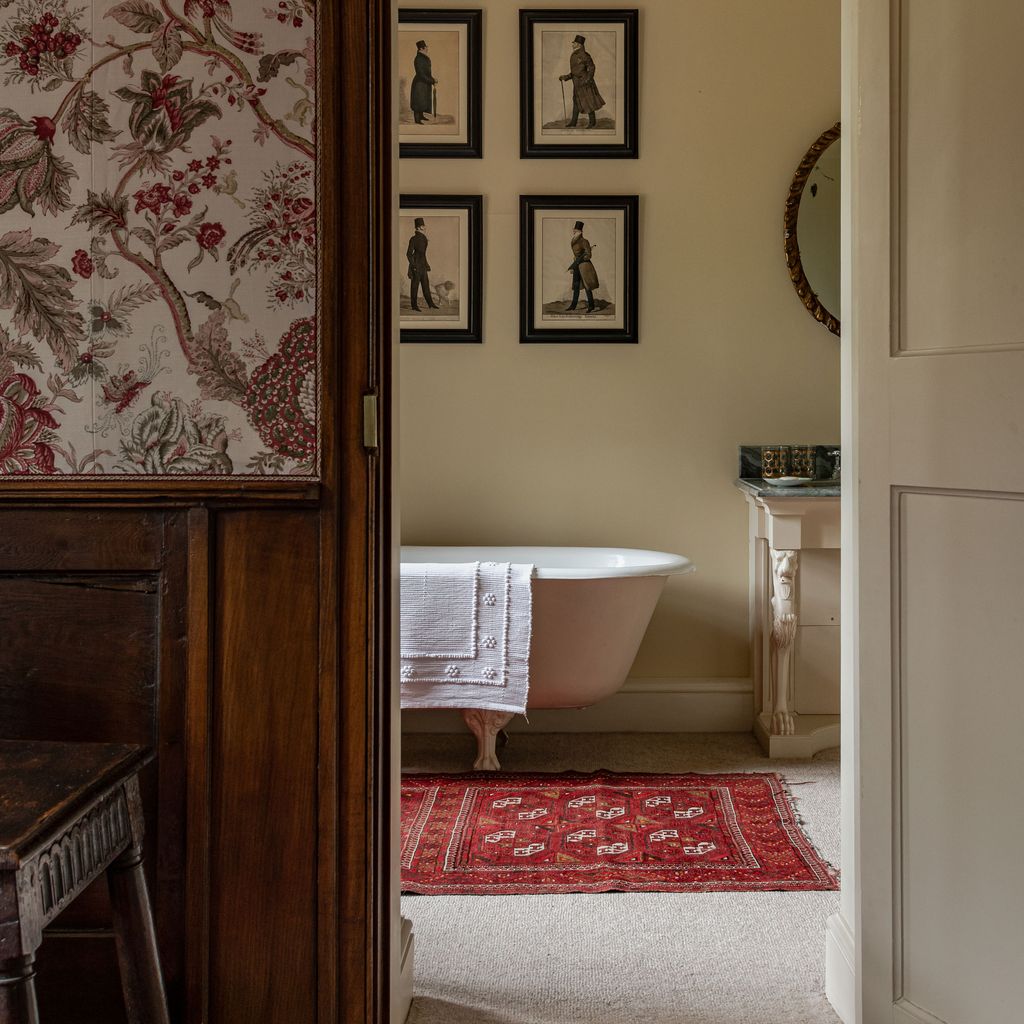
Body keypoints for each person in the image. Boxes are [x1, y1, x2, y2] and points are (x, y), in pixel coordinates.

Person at [558, 35, 605, 129]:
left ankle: (592, 122)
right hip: (577, 84)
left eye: (574, 43)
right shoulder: (574, 55)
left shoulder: (585, 55)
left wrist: (587, 80)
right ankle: (573, 122)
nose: (573, 44)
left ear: (579, 44)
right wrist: (565, 77)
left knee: (588, 102)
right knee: (576, 102)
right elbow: (575, 72)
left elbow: (592, 68)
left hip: (585, 84)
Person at [566, 220, 598, 313]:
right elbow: (575, 255)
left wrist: (581, 259)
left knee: (587, 287)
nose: (574, 232)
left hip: (584, 267)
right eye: (574, 230)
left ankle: (591, 306)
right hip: (577, 266)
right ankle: (573, 306)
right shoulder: (573, 241)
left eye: (575, 231)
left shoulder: (584, 241)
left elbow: (588, 255)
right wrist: (574, 264)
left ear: (580, 232)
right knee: (576, 287)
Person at [406, 217, 436, 311]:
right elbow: (408, 254)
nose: (424, 227)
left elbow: (423, 254)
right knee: (414, 286)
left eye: (424, 225)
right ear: (418, 227)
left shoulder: (424, 238)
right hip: (416, 266)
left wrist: (426, 264)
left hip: (422, 265)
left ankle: (430, 304)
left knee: (426, 285)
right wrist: (413, 266)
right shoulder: (413, 239)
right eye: (423, 225)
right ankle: (414, 306)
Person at [410, 40, 436, 124]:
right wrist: (432, 80)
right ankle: (417, 119)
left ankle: (421, 116)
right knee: (418, 101)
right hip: (419, 83)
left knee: (423, 100)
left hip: (424, 83)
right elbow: (421, 74)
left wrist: (432, 79)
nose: (427, 48)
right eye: (426, 47)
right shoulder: (418, 59)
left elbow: (427, 72)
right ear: (421, 48)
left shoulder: (423, 57)